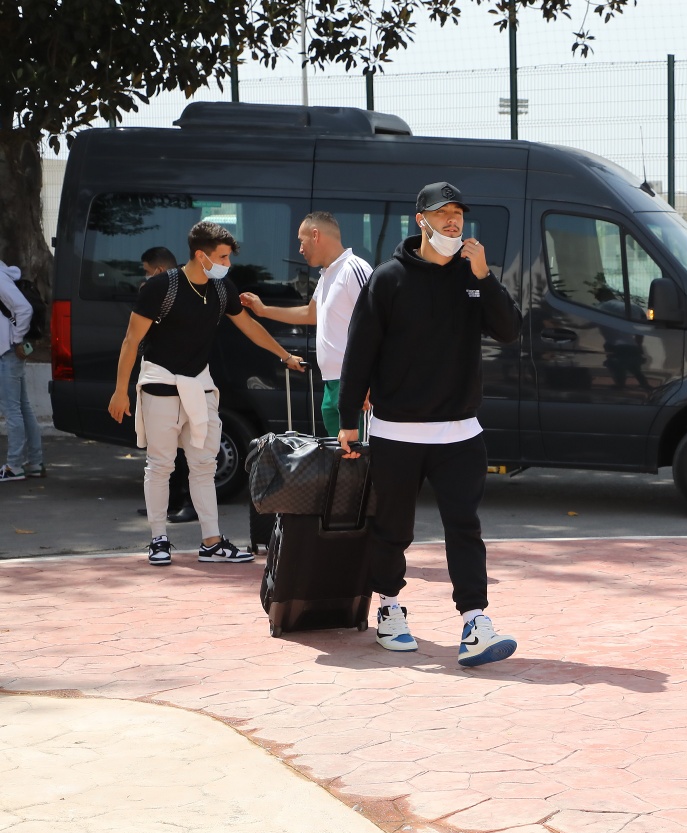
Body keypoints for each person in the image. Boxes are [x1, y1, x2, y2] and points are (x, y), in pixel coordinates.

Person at [337, 182, 520, 667]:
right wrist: (348, 419)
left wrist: (485, 277)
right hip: (397, 432)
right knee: (393, 529)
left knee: (465, 528)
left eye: (458, 212)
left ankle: (475, 621)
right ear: (421, 220)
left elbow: (509, 330)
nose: (453, 221)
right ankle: (389, 607)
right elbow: (360, 350)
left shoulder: (471, 276)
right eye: (443, 213)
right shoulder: (388, 278)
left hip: (461, 433)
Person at [107, 220, 305, 566]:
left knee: (203, 465)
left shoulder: (221, 288)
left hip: (199, 385)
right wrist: (120, 391)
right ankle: (158, 539)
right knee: (161, 465)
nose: (227, 264)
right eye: (223, 257)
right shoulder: (161, 287)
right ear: (202, 256)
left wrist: (285, 356)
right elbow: (131, 340)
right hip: (160, 384)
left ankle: (212, 541)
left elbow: (249, 326)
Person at [239, 211, 372, 436]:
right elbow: (311, 314)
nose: (300, 249)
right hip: (332, 384)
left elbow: (376, 324)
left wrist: (368, 381)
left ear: (316, 235)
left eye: (301, 241)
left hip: (355, 384)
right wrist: (263, 310)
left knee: (360, 455)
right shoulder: (327, 274)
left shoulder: (354, 269)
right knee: (342, 455)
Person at [136, 246, 196, 523]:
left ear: (159, 270)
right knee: (165, 448)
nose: (145, 278)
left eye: (147, 272)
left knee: (189, 448)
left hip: (187, 379)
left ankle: (190, 502)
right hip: (161, 377)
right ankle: (170, 501)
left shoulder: (186, 289)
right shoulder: (161, 290)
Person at [0, 260, 44, 483]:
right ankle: (35, 462)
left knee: (12, 410)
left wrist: (17, 339)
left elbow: (24, 308)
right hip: (10, 350)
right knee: (22, 407)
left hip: (7, 351)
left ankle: (14, 466)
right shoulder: (5, 275)